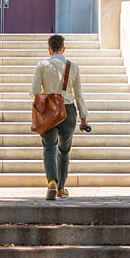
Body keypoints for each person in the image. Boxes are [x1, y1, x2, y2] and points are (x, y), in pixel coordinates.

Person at [30, 33, 89, 200]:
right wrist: (84, 117)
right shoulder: (73, 67)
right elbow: (79, 95)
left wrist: (47, 93)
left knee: (49, 148)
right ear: (63, 49)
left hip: (48, 111)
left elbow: (34, 91)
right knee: (64, 150)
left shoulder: (42, 65)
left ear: (49, 49)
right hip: (68, 111)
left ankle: (52, 183)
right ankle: (61, 188)